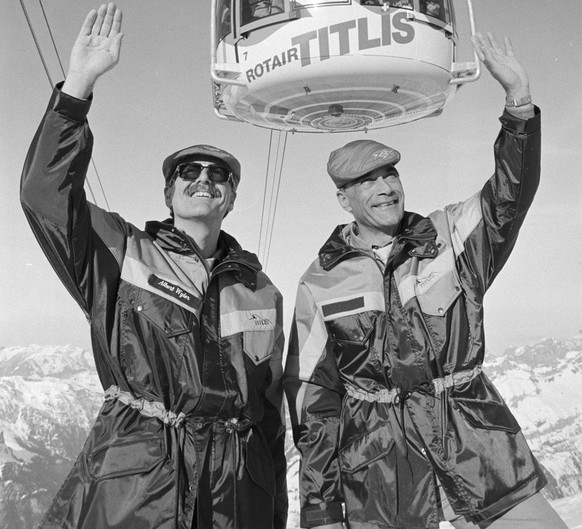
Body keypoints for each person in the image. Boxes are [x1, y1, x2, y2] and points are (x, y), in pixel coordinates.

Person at [283, 33, 568, 529]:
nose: (386, 187)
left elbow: (509, 196)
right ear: (343, 199)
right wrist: (322, 508)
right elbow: (313, 403)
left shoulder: (450, 235)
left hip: (481, 454)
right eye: (367, 181)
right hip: (386, 481)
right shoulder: (320, 283)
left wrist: (518, 101)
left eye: (389, 173)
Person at [20, 4, 287, 528]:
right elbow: (44, 195)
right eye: (189, 171)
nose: (203, 179)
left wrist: (271, 508)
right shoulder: (123, 252)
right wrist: (78, 87)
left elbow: (271, 414)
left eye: (219, 175)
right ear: (169, 192)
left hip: (233, 493)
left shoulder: (261, 290)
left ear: (231, 198)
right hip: (140, 487)